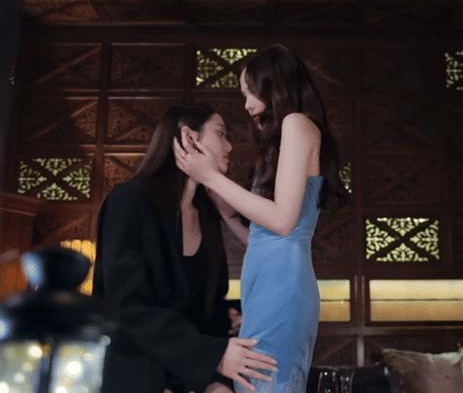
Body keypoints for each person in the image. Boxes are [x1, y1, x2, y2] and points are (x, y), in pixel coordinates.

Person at [173, 44, 346, 393]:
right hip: (267, 282)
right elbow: (266, 239)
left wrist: (211, 177)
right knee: (255, 383)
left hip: (283, 286)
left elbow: (282, 221)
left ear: (273, 85)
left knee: (264, 384)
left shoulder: (297, 123)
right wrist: (226, 211)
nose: (247, 104)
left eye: (249, 92)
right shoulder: (284, 136)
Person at [93, 105, 278, 393]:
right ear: (190, 138)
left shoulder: (206, 213)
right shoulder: (129, 200)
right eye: (220, 134)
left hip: (187, 376)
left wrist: (231, 317)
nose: (229, 146)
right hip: (136, 374)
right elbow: (126, 307)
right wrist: (214, 356)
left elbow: (202, 304)